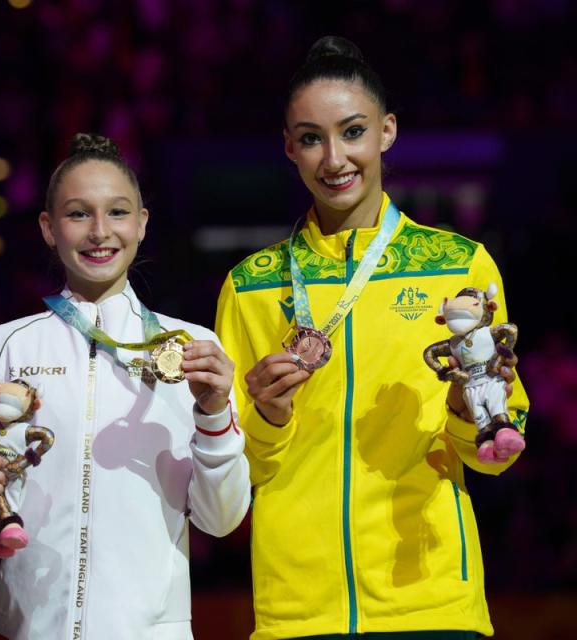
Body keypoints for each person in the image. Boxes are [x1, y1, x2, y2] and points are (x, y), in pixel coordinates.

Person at [215, 36, 529, 640]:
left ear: (386, 131)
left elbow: (498, 446)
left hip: (432, 601)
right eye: (311, 138)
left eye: (352, 131)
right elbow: (232, 474)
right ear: (289, 147)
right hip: (296, 612)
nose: (334, 158)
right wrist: (268, 419)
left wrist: (467, 413)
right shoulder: (251, 286)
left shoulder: (460, 265)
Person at [0, 133, 251, 639]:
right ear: (49, 228)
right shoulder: (5, 347)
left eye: (117, 212)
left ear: (142, 223)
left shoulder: (193, 348)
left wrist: (214, 415)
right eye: (77, 214)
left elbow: (221, 519)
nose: (99, 232)